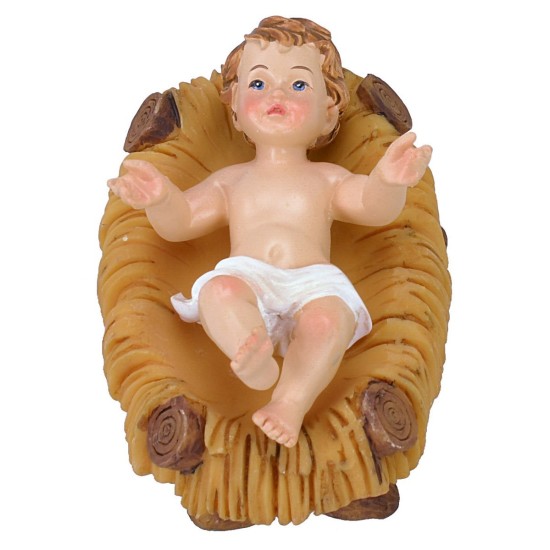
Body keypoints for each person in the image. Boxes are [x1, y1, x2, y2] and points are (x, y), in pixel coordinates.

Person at [107, 16, 432, 448]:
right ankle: (250, 352)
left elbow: (373, 208)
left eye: (298, 85)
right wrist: (161, 198)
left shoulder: (327, 179)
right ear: (235, 109)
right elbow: (181, 222)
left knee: (330, 319)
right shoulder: (232, 181)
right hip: (248, 276)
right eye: (259, 84)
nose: (276, 95)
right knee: (218, 292)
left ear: (328, 111)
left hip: (314, 282)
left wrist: (388, 182)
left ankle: (289, 402)